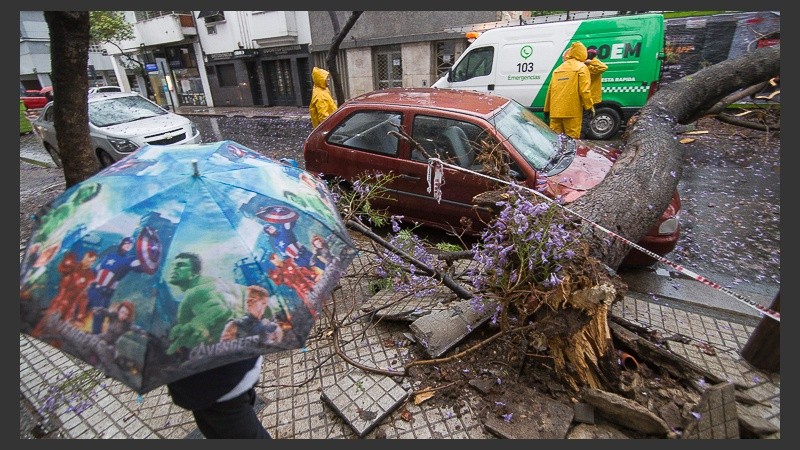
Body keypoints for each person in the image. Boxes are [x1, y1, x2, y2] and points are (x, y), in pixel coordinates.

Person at [165, 253, 271, 439]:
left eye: (181, 265)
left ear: (194, 272)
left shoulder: (196, 292)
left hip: (218, 383)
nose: (175, 268)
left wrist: (196, 324)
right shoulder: (214, 283)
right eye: (175, 264)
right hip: (238, 367)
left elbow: (217, 309)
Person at [86, 235, 149, 334]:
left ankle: (94, 337)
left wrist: (147, 256)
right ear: (122, 243)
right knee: (80, 309)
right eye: (126, 243)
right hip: (93, 289)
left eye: (130, 245)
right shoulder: (110, 255)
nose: (128, 246)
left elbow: (142, 266)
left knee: (98, 318)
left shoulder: (129, 260)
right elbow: (96, 270)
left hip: (104, 294)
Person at [543, 41, 594, 139]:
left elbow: (550, 91)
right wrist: (589, 107)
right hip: (572, 111)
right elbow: (584, 90)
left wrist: (547, 109)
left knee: (555, 139)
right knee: (571, 139)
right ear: (583, 53)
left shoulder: (558, 69)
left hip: (555, 111)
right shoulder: (581, 68)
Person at [581, 48, 608, 138]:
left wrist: (589, 62)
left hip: (587, 98)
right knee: (585, 119)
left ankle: (581, 135)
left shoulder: (586, 67)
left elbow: (604, 67)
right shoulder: (592, 68)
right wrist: (592, 61)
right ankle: (582, 136)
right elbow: (603, 67)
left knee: (584, 119)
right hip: (589, 98)